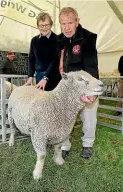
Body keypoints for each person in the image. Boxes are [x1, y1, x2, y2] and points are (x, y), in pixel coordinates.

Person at [57, 7, 99, 159]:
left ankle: (87, 144)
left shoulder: (88, 38)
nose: (66, 28)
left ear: (77, 22)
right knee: (65, 116)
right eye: (63, 24)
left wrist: (92, 92)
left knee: (89, 115)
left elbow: (91, 65)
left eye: (70, 23)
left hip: (84, 86)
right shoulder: (59, 40)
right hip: (68, 87)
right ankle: (65, 144)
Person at [25, 12, 61, 91]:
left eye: (46, 25)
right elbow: (31, 59)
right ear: (38, 26)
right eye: (41, 25)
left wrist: (46, 78)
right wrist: (30, 76)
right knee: (41, 100)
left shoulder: (58, 39)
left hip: (53, 76)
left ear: (51, 25)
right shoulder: (34, 40)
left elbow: (56, 61)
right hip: (39, 76)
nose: (44, 28)